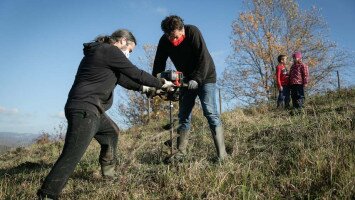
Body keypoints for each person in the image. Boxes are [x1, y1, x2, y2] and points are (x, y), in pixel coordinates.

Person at [37, 29, 174, 199]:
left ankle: (108, 174)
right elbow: (135, 73)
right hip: (85, 109)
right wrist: (161, 83)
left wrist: (146, 88)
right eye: (130, 50)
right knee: (72, 155)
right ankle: (48, 194)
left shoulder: (103, 53)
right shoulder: (109, 50)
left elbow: (124, 79)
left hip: (92, 109)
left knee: (111, 132)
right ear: (123, 41)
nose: (129, 54)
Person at [152, 15, 227, 162]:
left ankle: (222, 155)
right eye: (169, 37)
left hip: (205, 76)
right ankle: (181, 153)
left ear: (182, 29)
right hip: (185, 79)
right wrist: (156, 83)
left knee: (210, 113)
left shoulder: (193, 32)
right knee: (183, 115)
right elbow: (159, 63)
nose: (173, 41)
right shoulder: (164, 40)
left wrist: (197, 79)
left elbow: (203, 58)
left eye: (175, 37)